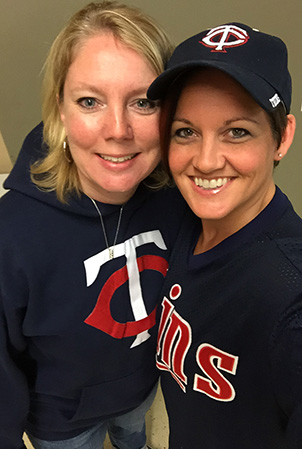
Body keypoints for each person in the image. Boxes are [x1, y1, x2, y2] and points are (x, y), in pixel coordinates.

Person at [0, 2, 187, 449]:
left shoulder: (180, 199)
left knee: (133, 437)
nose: (117, 129)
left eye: (143, 102)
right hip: (63, 422)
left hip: (140, 390)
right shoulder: (12, 238)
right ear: (60, 110)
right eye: (90, 101)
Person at [147, 23, 302, 448]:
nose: (207, 161)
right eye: (186, 132)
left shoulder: (289, 292)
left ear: (281, 137)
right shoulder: (179, 219)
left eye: (237, 131)